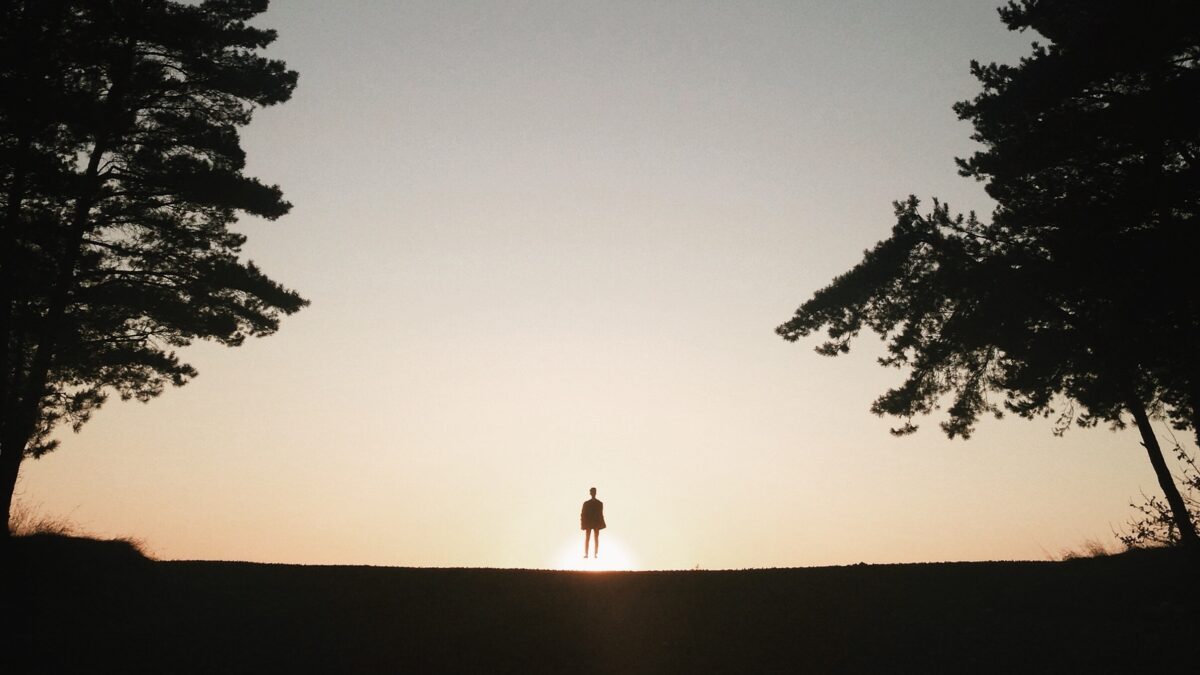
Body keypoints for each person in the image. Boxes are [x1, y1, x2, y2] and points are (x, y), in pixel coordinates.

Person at [580, 487, 606, 558]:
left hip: (595, 523)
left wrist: (602, 524)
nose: (593, 493)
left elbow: (600, 514)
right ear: (591, 493)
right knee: (588, 538)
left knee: (595, 538)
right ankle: (587, 554)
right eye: (592, 492)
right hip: (589, 523)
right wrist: (582, 524)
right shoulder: (587, 503)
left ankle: (595, 553)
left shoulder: (599, 503)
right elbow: (583, 514)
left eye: (593, 492)